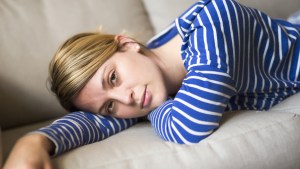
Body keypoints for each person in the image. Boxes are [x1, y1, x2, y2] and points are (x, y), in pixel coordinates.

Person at [3, 0, 300, 168]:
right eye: (109, 106)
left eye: (113, 77)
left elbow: (187, 127)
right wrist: (34, 141)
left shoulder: (213, 22)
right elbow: (91, 122)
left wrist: (156, 110)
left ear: (127, 44)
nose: (126, 99)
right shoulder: (142, 85)